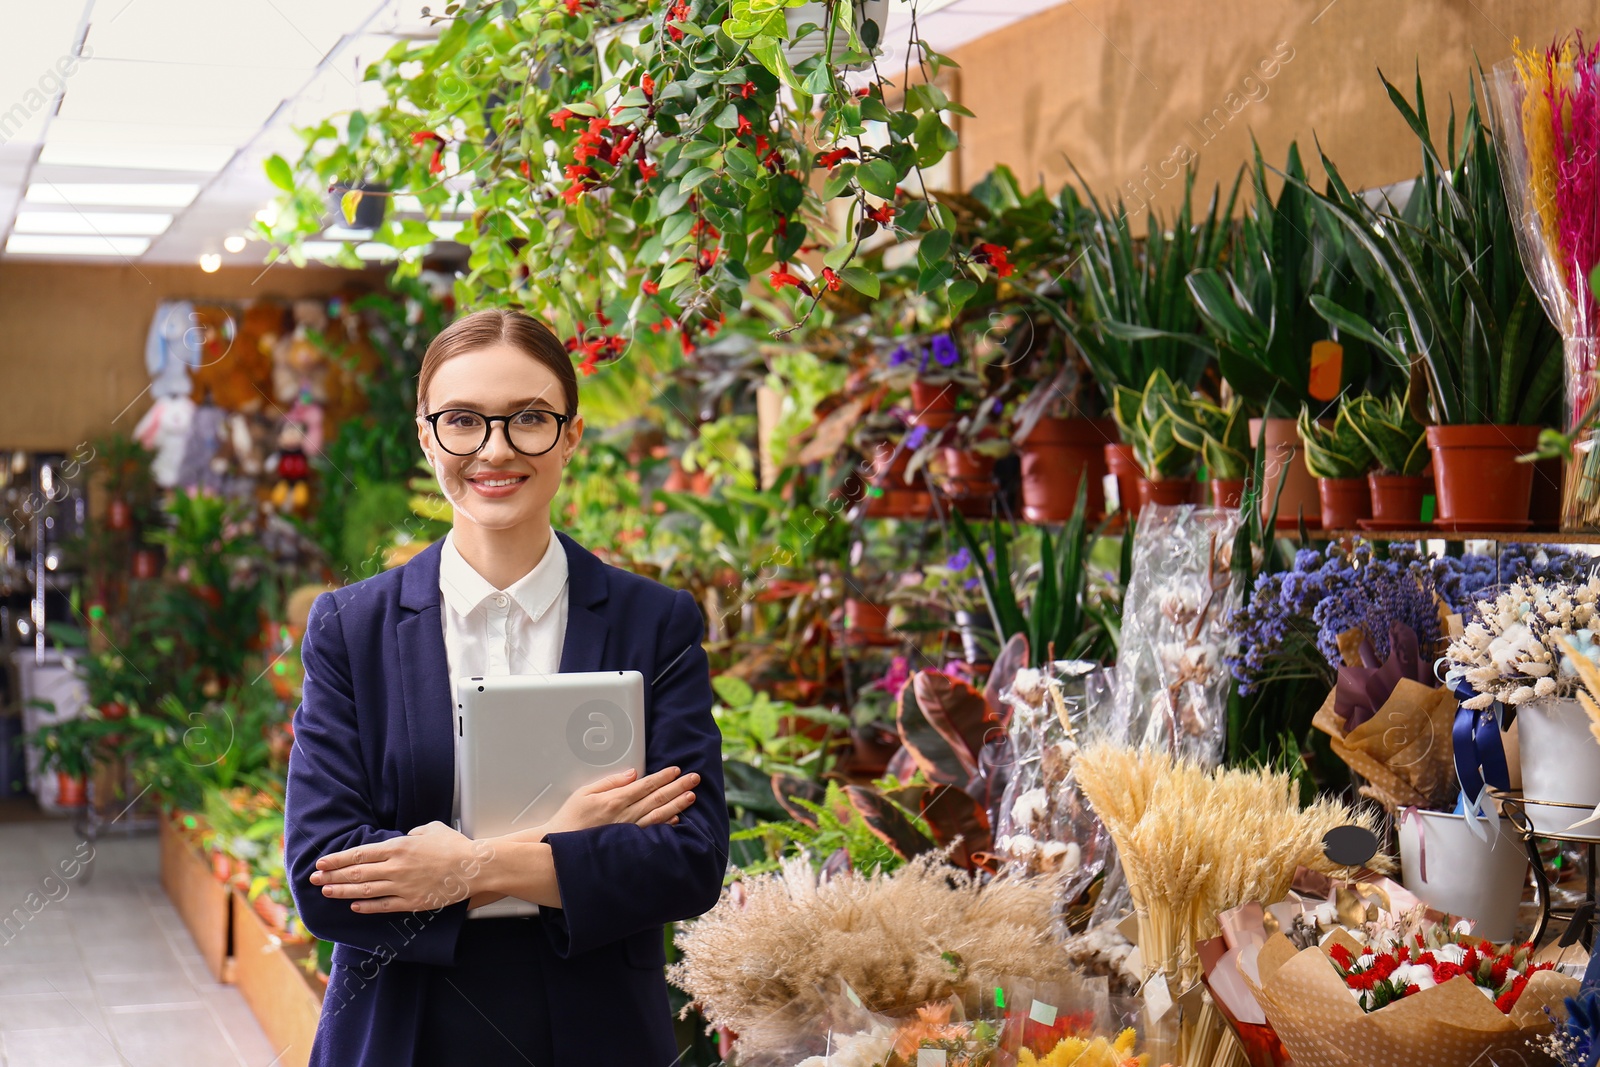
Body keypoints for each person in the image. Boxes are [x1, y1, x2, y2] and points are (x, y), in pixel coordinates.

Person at [283, 308, 729, 1066]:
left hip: (597, 1034)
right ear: (427, 436)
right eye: (462, 420)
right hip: (402, 1029)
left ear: (571, 434)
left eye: (529, 418)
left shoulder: (654, 623)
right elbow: (323, 877)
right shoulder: (351, 628)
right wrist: (568, 845)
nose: (495, 449)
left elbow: (688, 860)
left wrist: (462, 867)